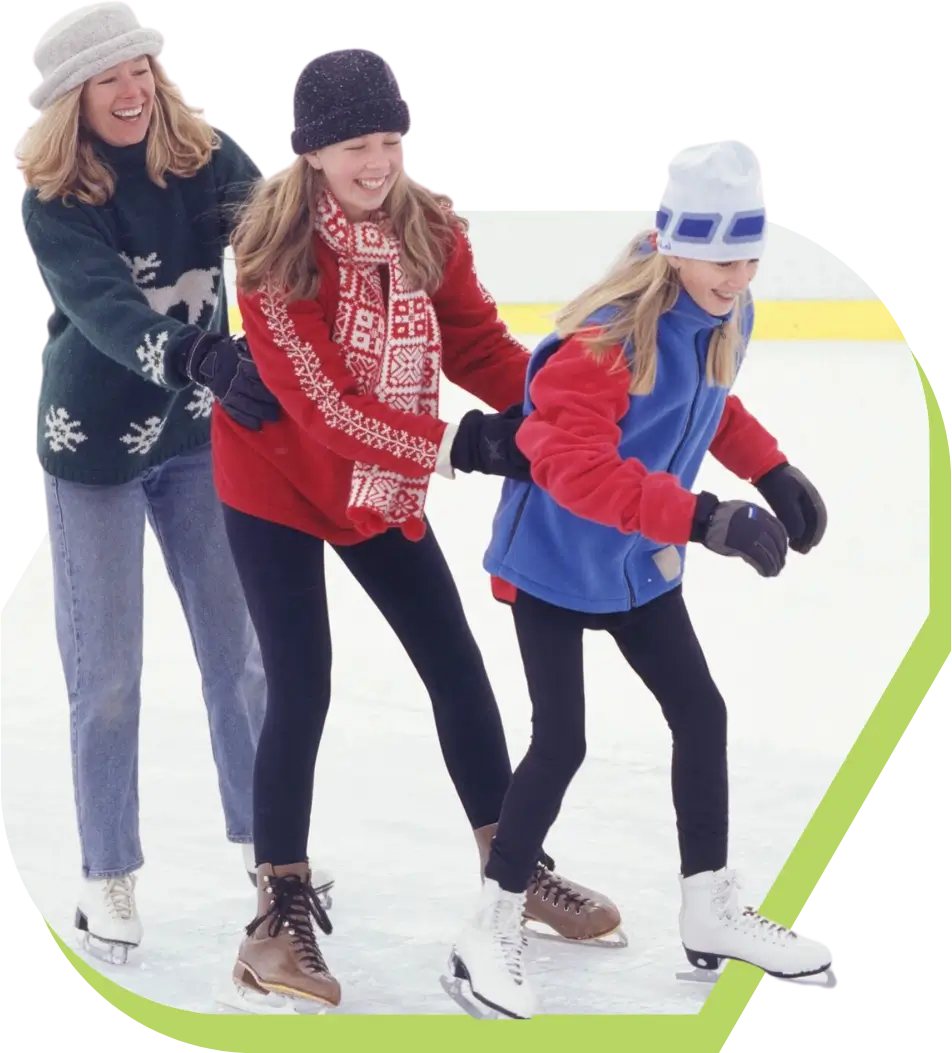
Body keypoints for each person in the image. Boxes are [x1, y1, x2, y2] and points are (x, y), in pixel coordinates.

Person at [212, 47, 624, 1013]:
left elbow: (476, 339)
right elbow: (322, 403)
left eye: (392, 139)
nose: (377, 162)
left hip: (378, 487)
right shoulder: (272, 252)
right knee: (301, 680)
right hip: (274, 477)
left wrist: (554, 407)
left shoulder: (426, 225)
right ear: (312, 151)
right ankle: (277, 914)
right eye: (357, 144)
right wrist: (465, 443)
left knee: (453, 663)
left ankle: (510, 869)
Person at [443, 140, 834, 1019]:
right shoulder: (604, 345)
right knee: (563, 739)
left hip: (639, 567)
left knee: (701, 712)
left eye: (751, 256)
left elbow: (711, 401)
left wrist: (771, 471)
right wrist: (706, 517)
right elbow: (572, 471)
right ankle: (494, 917)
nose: (739, 276)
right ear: (673, 247)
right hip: (554, 563)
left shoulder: (727, 314)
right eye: (723, 258)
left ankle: (709, 905)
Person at [20, 1, 333, 966]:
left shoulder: (201, 154)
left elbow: (278, 222)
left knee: (238, 662)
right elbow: (107, 310)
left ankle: (267, 856)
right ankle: (107, 869)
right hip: (95, 453)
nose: (133, 91)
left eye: (143, 72)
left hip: (200, 441)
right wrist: (199, 354)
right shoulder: (53, 196)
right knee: (107, 679)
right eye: (111, 79)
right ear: (73, 100)